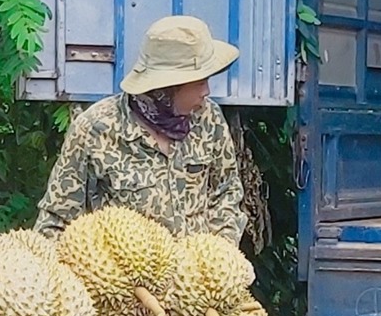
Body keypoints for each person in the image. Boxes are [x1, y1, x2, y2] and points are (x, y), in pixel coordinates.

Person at [35, 14, 246, 242]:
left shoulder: (209, 118)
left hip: (198, 262)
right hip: (122, 263)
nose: (206, 92)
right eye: (199, 82)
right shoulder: (95, 130)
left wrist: (221, 250)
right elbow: (55, 221)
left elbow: (226, 192)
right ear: (168, 87)